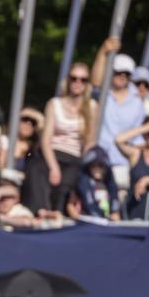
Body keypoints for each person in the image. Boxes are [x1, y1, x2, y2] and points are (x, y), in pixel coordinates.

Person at [22, 63, 96, 215]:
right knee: (37, 170)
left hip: (74, 157)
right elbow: (46, 140)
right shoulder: (54, 104)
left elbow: (89, 142)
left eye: (83, 79)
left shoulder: (92, 107)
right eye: (74, 78)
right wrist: (54, 166)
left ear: (87, 83)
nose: (78, 83)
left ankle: (58, 214)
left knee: (69, 182)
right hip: (52, 153)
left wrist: (84, 166)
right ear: (68, 80)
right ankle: (42, 211)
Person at [95, 45, 145, 186]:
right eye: (119, 72)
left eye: (127, 74)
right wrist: (103, 51)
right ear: (111, 71)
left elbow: (137, 138)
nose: (123, 76)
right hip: (96, 160)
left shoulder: (137, 103)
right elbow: (95, 81)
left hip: (121, 164)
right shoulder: (101, 94)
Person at [116, 119, 149, 222]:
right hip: (132, 214)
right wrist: (147, 127)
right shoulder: (136, 154)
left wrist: (147, 180)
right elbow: (118, 140)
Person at [75, 145, 120, 220]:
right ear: (88, 167)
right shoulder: (82, 184)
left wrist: (115, 214)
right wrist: (76, 216)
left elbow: (115, 207)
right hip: (88, 223)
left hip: (107, 223)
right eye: (94, 166)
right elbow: (70, 205)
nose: (97, 169)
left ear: (106, 167)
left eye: (101, 166)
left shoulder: (109, 185)